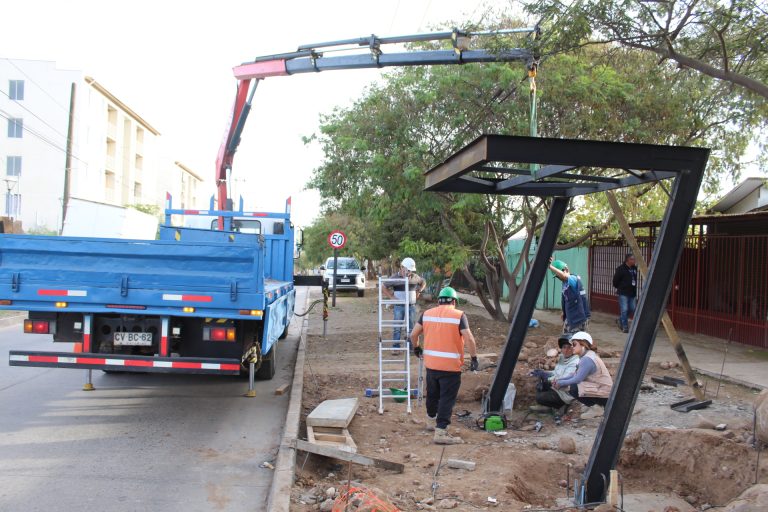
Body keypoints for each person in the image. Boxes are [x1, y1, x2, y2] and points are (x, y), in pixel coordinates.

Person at [410, 287, 478, 445]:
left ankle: (430, 422)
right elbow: (469, 339)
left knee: (432, 395)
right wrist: (474, 358)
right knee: (447, 399)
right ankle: (441, 432)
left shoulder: (426, 314)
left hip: (432, 365)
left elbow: (413, 335)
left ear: (439, 300)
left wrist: (417, 348)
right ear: (454, 301)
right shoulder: (459, 315)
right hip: (450, 368)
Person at [552, 331, 613, 419]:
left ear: (583, 345)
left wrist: (561, 383)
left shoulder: (587, 359)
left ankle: (597, 408)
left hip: (605, 395)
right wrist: (560, 380)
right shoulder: (586, 356)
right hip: (603, 391)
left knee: (573, 386)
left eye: (574, 344)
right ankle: (594, 405)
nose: (572, 347)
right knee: (570, 384)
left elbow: (577, 379)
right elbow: (575, 374)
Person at [531, 333, 580, 417]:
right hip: (557, 386)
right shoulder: (562, 358)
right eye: (564, 347)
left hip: (565, 392)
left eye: (569, 347)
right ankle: (549, 405)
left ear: (573, 348)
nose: (566, 350)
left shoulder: (575, 361)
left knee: (540, 397)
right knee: (540, 385)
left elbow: (564, 378)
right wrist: (544, 372)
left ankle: (560, 406)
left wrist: (548, 378)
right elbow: (556, 372)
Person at [383, 257, 426, 347]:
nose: (410, 272)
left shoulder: (415, 277)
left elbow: (423, 282)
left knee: (412, 328)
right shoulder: (394, 277)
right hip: (399, 306)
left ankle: (411, 347)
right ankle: (396, 346)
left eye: (411, 270)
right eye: (408, 270)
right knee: (397, 328)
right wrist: (391, 297)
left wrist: (419, 291)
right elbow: (383, 286)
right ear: (402, 267)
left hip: (411, 306)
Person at [549, 258, 590, 333]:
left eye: (557, 275)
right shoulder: (565, 283)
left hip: (578, 318)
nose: (558, 278)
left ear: (565, 269)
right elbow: (567, 299)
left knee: (575, 341)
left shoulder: (573, 279)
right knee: (566, 339)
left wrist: (550, 267)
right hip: (571, 316)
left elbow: (565, 276)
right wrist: (564, 312)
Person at [612, 253, 638, 333]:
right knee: (624, 309)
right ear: (628, 260)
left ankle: (620, 319)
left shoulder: (634, 268)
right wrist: (620, 287)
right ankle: (625, 327)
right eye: (632, 259)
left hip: (632, 293)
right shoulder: (621, 269)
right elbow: (615, 281)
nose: (634, 261)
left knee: (632, 308)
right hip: (623, 293)